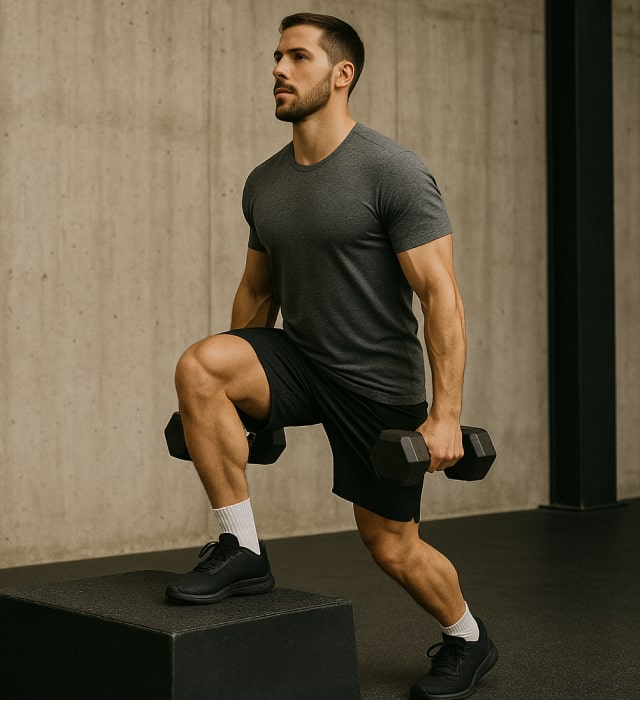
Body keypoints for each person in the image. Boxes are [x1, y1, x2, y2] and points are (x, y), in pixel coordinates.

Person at [165, 12, 497, 700]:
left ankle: (467, 636)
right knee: (201, 365)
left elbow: (440, 297)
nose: (278, 71)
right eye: (276, 57)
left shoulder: (392, 172)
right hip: (300, 358)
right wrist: (243, 393)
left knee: (391, 546)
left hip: (376, 384)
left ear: (341, 74)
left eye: (297, 57)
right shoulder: (266, 181)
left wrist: (443, 416)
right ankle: (242, 550)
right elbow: (257, 291)